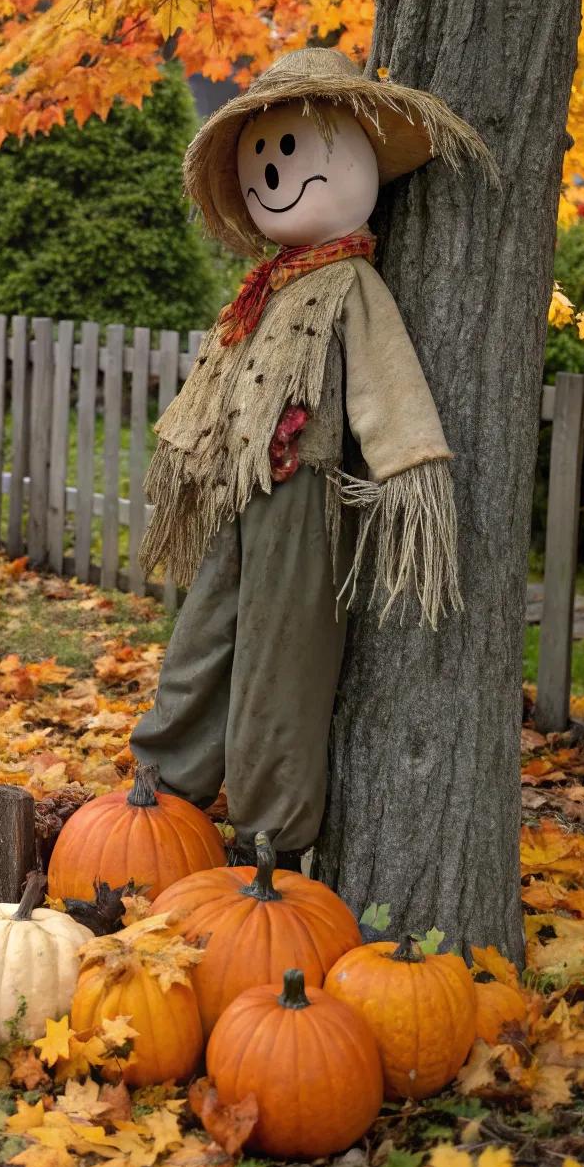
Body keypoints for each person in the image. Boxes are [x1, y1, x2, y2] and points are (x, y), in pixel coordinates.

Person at [130, 46, 492, 868]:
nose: (271, 172)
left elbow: (388, 389)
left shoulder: (352, 287)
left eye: (288, 152)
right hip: (237, 488)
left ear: (358, 160)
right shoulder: (269, 288)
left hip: (303, 495)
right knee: (203, 633)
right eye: (260, 158)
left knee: (278, 664)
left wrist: (410, 476)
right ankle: (162, 786)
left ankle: (267, 843)